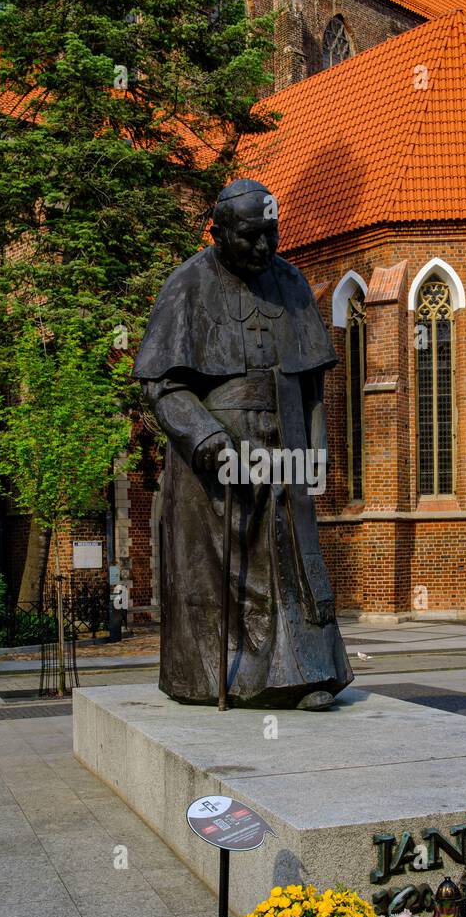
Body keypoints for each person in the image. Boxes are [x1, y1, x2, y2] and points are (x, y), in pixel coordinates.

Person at [134, 179, 353, 709]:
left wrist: (316, 454)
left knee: (289, 561)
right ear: (220, 231)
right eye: (251, 236)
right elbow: (162, 384)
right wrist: (211, 442)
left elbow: (312, 385)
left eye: (271, 235)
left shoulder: (292, 283)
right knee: (224, 572)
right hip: (212, 456)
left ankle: (301, 675)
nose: (263, 248)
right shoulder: (186, 284)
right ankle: (214, 679)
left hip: (284, 446)